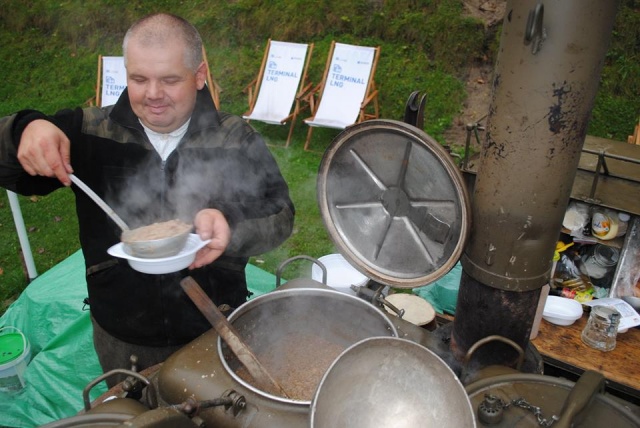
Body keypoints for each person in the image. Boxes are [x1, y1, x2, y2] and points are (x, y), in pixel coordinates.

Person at [0, 13, 294, 387]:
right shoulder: (89, 132)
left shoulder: (234, 137)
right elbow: (10, 165)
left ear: (199, 75)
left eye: (170, 79)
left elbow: (281, 213)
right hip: (122, 337)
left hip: (214, 329)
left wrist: (231, 224)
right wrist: (24, 128)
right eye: (138, 79)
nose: (152, 94)